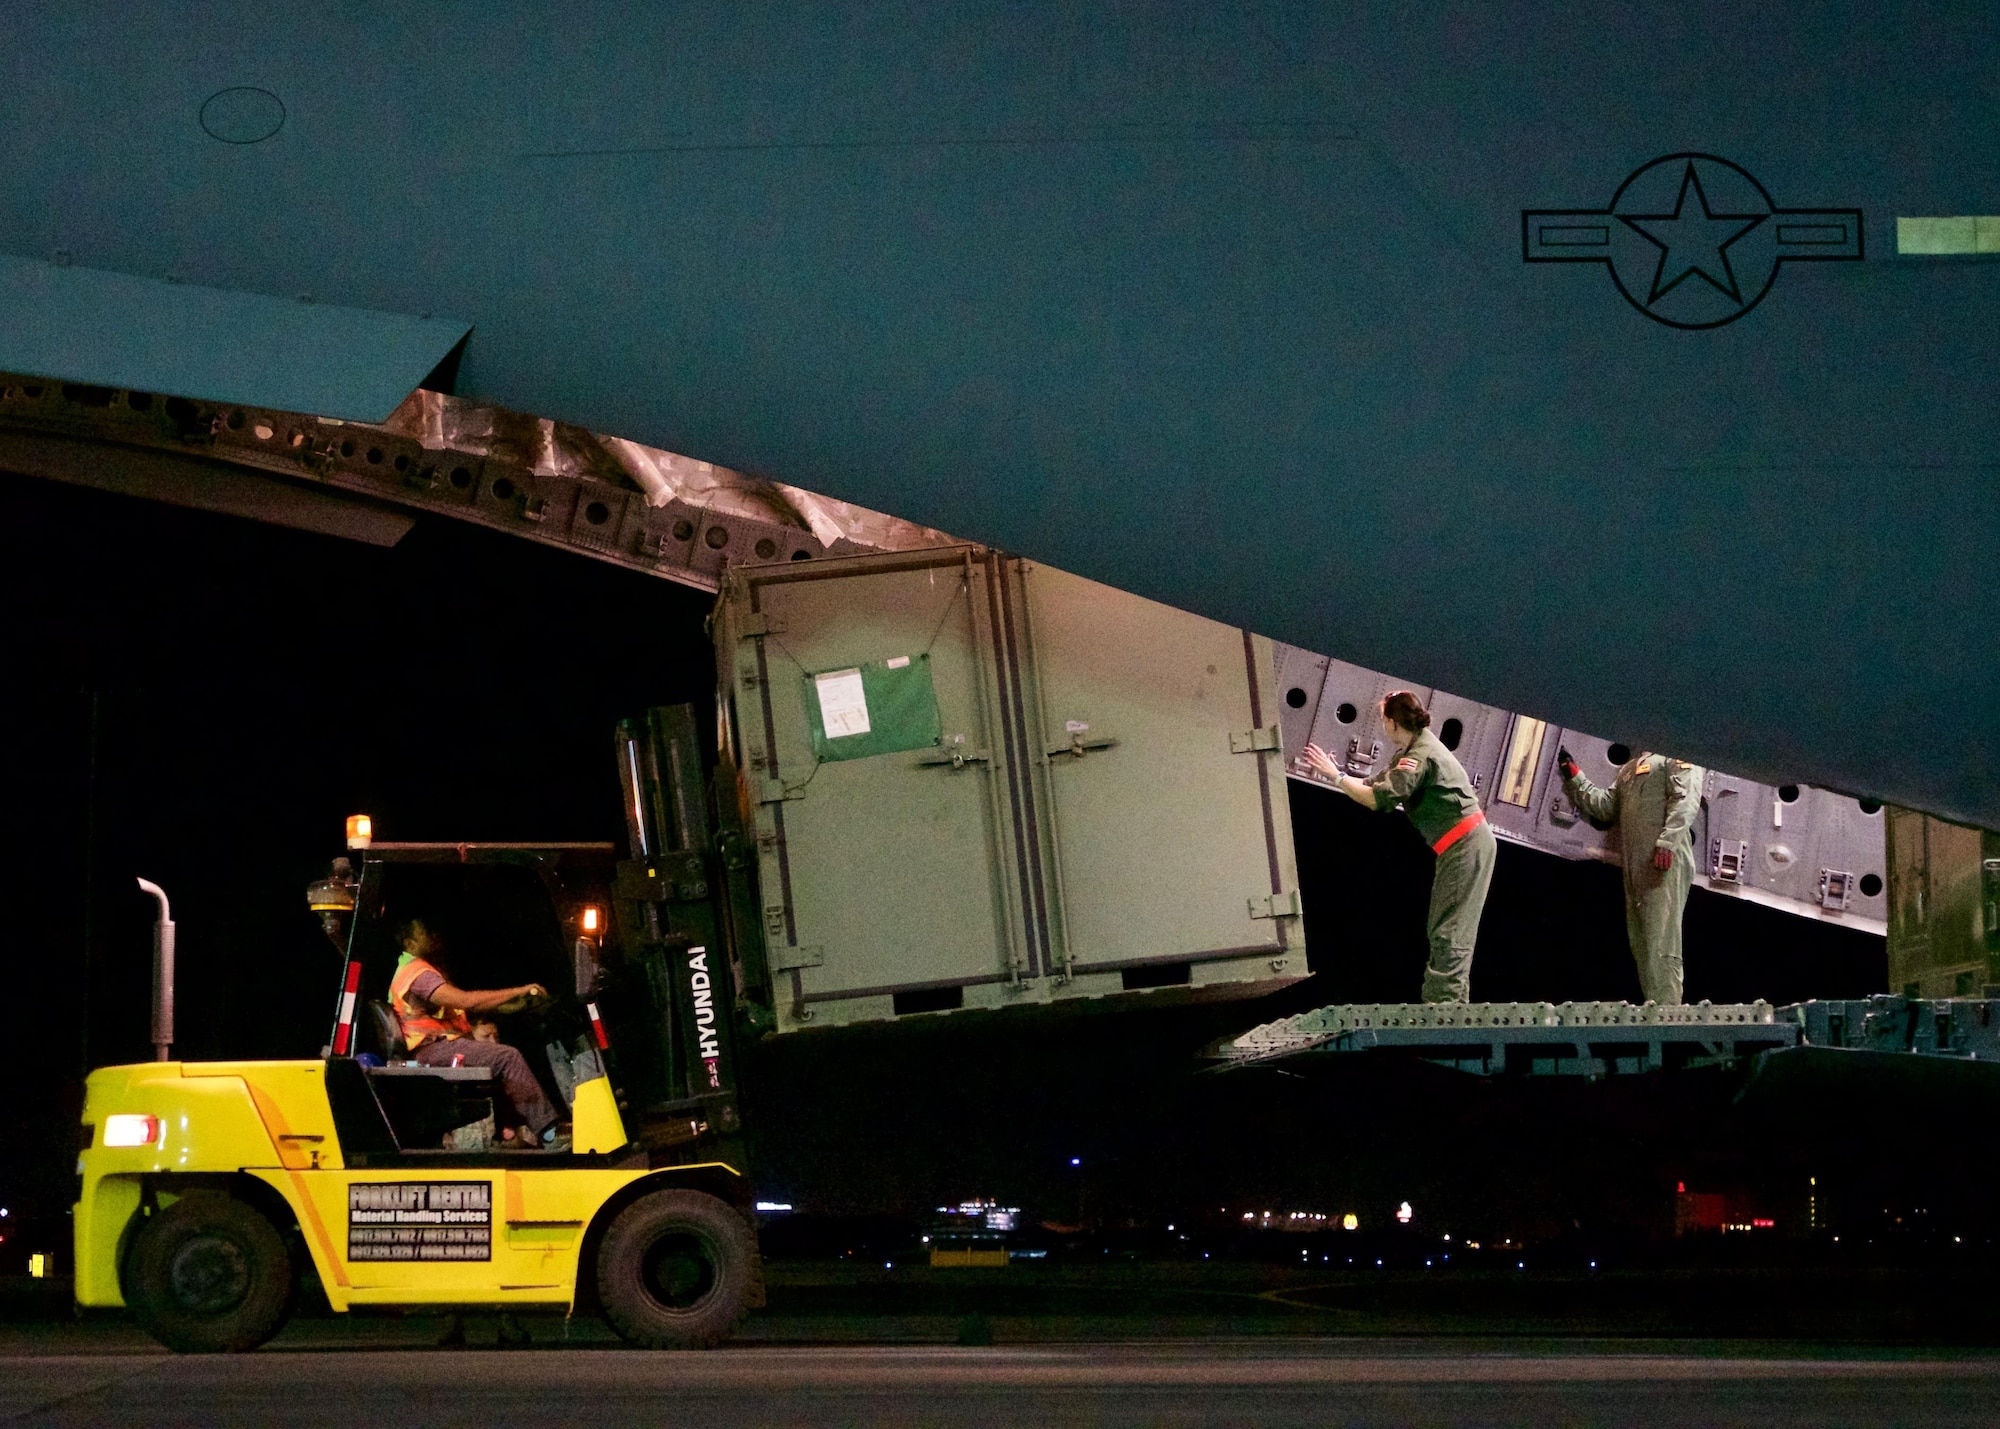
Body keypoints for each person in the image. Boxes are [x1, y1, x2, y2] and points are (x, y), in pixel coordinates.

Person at [1302, 691, 1496, 1003]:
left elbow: (1378, 800)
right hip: (1460, 846)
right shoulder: (1413, 749)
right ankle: (1450, 1008)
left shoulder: (1417, 758)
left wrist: (1337, 778)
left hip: (1466, 845)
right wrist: (1340, 774)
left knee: (1449, 932)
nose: (1382, 726)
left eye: (1383, 720)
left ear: (1392, 723)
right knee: (1445, 928)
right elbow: (1373, 784)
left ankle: (1445, 1013)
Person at [388, 918, 561, 1148]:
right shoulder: (418, 974)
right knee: (506, 1057)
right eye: (424, 934)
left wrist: (522, 1004)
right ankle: (549, 1135)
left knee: (498, 1058)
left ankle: (510, 1134)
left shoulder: (421, 970)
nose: (433, 936)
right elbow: (468, 1001)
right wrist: (521, 989)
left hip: (437, 1048)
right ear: (410, 944)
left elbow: (471, 1007)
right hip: (430, 1050)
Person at [1557, 747, 1704, 1004]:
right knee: (1643, 943)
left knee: (1662, 941)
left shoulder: (1675, 754)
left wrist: (1667, 843)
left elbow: (1686, 797)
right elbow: (1605, 807)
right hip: (1637, 865)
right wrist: (1574, 776)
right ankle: (1654, 1006)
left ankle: (1667, 1013)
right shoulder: (1629, 769)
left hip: (1663, 861)